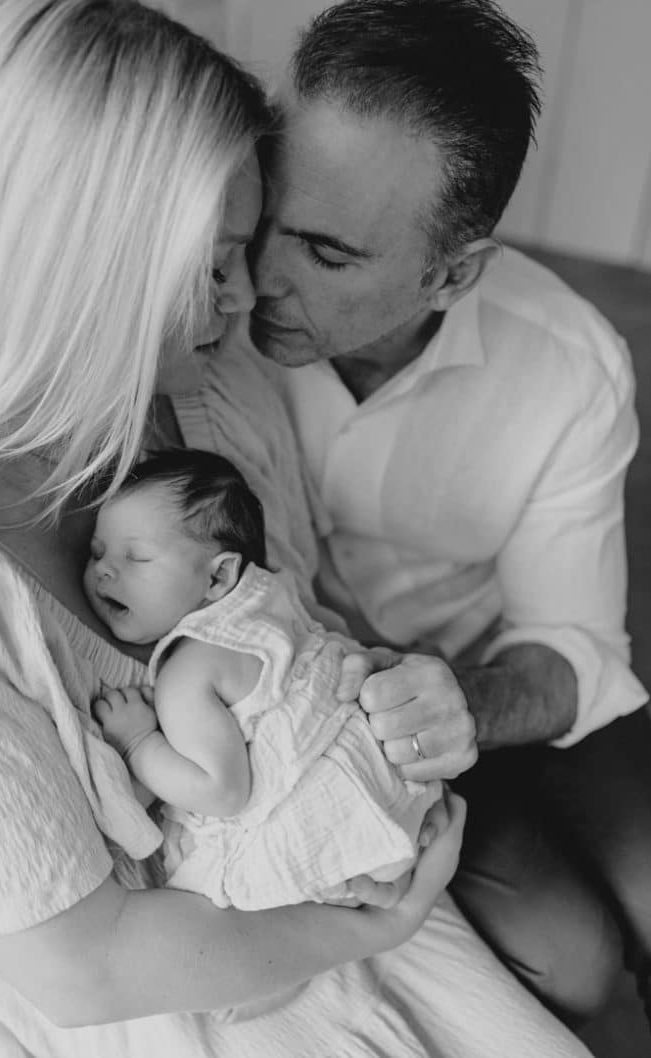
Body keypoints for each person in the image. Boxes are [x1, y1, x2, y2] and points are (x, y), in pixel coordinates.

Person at [0, 2, 594, 1057]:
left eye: (252, 249)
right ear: (80, 263)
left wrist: (397, 694)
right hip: (165, 996)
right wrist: (366, 921)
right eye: (211, 267)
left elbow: (305, 628)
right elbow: (84, 967)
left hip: (344, 885)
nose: (250, 299)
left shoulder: (219, 394)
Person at [240, 0, 651, 1029]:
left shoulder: (567, 367)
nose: (260, 275)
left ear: (452, 273)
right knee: (580, 963)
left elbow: (573, 642)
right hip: (311, 705)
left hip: (485, 678)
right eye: (267, 216)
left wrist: (465, 704)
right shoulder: (202, 298)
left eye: (328, 254)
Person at [86, 449, 443, 909]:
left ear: (218, 577)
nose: (104, 569)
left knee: (208, 874)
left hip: (321, 821)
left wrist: (138, 743)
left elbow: (224, 792)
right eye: (97, 553)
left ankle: (358, 879)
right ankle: (388, 871)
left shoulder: (189, 670)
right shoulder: (274, 598)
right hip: (387, 778)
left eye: (137, 557)